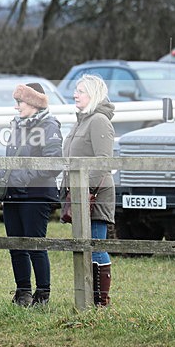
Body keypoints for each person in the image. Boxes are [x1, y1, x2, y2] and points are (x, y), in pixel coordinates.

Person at [0, 83, 62, 307]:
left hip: (36, 193)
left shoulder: (49, 126)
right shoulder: (17, 126)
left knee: (35, 244)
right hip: (14, 193)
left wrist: (24, 176)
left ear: (33, 103)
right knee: (16, 244)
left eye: (20, 102)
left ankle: (43, 294)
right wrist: (4, 172)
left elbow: (54, 162)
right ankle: (22, 291)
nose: (16, 107)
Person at [61, 74, 115, 306]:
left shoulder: (99, 121)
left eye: (80, 91)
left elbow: (103, 161)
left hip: (95, 194)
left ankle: (100, 300)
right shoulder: (81, 121)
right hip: (80, 194)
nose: (75, 94)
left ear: (93, 94)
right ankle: (89, 296)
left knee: (96, 245)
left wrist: (85, 190)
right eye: (76, 90)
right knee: (86, 245)